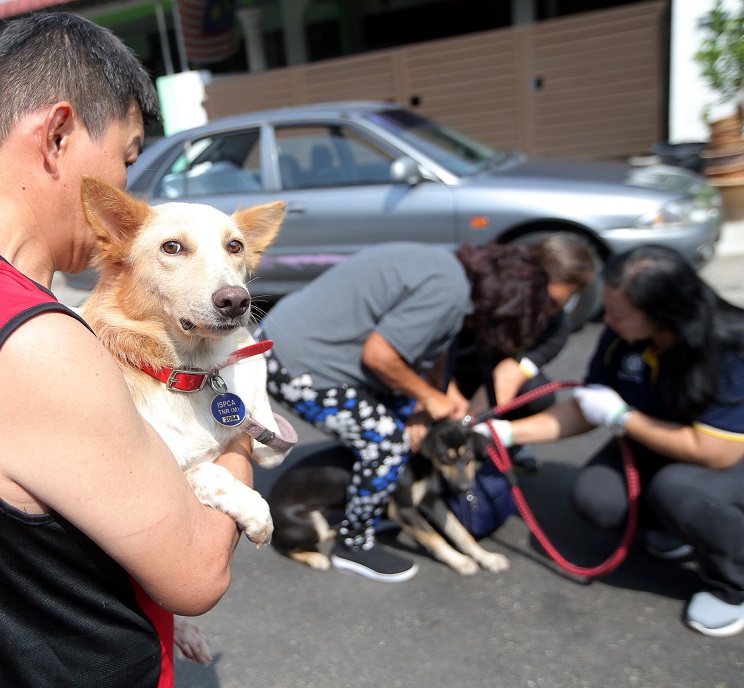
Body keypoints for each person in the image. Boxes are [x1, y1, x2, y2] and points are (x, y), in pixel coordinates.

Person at [0, 13, 256, 687]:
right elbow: (197, 573)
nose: (125, 191)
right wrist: (238, 426)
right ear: (58, 136)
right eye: (127, 157)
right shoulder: (34, 340)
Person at [479, 245, 744, 638]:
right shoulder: (625, 337)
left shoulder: (728, 348)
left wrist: (622, 419)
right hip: (659, 441)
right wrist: (504, 433)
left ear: (664, 313)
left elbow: (718, 452)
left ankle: (731, 585)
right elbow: (586, 408)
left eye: (619, 313)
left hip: (727, 456)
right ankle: (679, 527)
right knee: (597, 497)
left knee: (678, 490)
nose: (608, 319)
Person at [257, 242, 550, 582]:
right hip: (297, 364)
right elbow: (380, 356)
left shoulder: (450, 271)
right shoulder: (448, 292)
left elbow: (430, 345)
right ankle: (353, 541)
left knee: (412, 422)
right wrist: (429, 397)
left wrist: (438, 394)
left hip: (303, 343)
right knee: (387, 442)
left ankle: (388, 497)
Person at [450, 233, 598, 471]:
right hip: (448, 372)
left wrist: (470, 425)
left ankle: (505, 442)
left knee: (538, 395)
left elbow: (508, 376)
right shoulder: (481, 291)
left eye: (554, 303)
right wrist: (447, 396)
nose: (541, 308)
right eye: (541, 295)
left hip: (490, 386)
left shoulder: (556, 329)